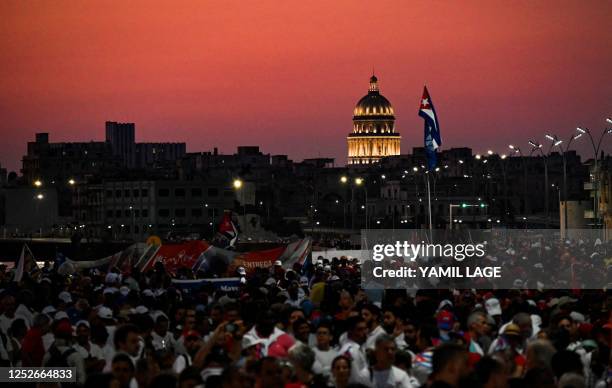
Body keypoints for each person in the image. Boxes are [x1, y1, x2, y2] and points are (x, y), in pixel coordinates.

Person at [338, 316, 368, 384]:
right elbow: (355, 379)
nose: (365, 332)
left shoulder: (360, 347)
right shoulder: (350, 351)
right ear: (350, 331)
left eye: (365, 328)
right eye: (360, 329)